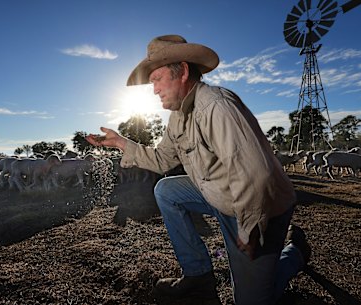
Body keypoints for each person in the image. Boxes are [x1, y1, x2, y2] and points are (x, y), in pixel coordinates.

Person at [87, 35, 311, 304]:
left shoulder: (215, 106)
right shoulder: (178, 116)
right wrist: (121, 142)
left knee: (253, 300)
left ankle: (294, 253)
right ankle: (198, 275)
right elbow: (162, 160)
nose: (154, 89)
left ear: (181, 71)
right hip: (220, 192)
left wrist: (249, 229)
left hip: (259, 206)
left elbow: (256, 174)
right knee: (167, 191)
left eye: (157, 79)